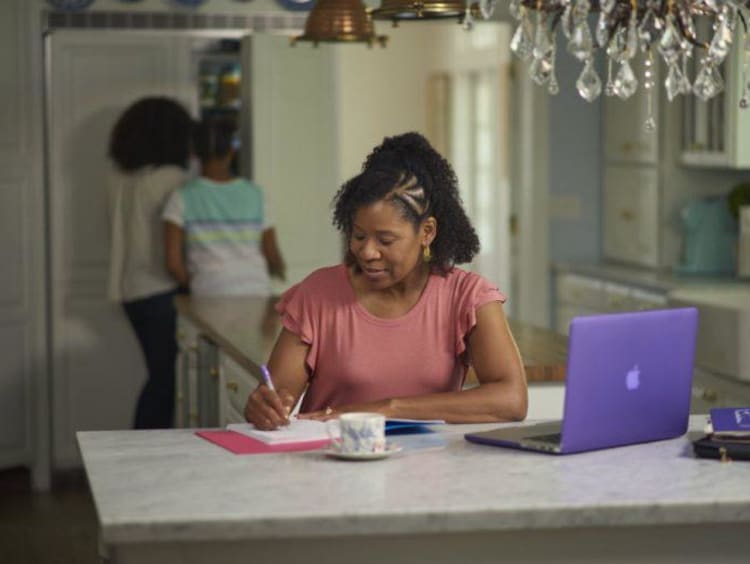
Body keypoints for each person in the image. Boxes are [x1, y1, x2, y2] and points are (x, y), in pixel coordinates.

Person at [244, 132, 527, 430]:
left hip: (433, 471)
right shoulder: (318, 294)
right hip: (332, 466)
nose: (367, 252)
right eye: (359, 235)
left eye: (385, 239)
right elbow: (276, 399)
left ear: (427, 232)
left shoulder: (468, 297)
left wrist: (388, 408)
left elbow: (512, 400)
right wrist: (263, 407)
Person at [107, 96, 193, 429]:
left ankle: (141, 452)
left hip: (130, 290)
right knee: (166, 381)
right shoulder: (171, 179)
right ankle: (143, 454)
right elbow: (179, 247)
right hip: (161, 288)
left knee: (160, 377)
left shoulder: (120, 178)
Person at [162, 117, 286, 296]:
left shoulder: (181, 197)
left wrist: (197, 284)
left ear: (194, 152)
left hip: (208, 292)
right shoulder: (256, 194)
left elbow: (173, 264)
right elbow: (272, 255)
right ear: (232, 149)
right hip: (256, 291)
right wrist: (280, 273)